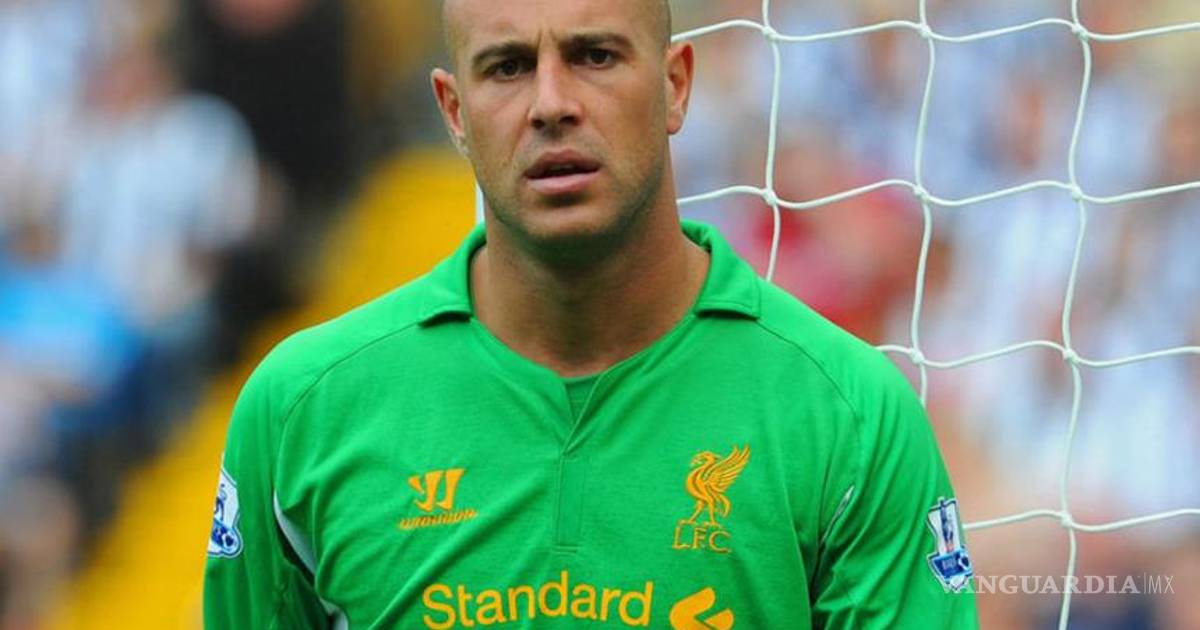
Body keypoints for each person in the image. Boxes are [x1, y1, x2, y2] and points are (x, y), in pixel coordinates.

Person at [203, 0, 980, 627]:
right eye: (508, 67)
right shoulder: (302, 410)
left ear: (676, 85)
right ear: (453, 111)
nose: (551, 103)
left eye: (595, 56)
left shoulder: (850, 416)